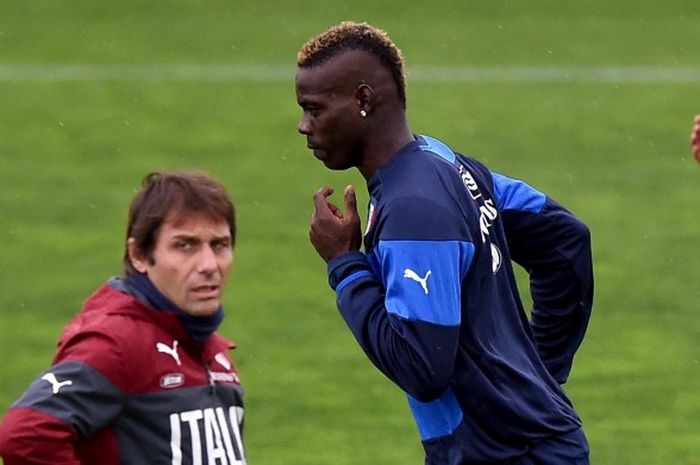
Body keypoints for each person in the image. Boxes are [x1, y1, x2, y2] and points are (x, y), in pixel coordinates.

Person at [296, 21, 593, 465]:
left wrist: (344, 265)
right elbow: (566, 241)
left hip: (500, 452)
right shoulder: (449, 164)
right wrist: (541, 373)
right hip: (533, 441)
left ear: (362, 100)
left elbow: (421, 366)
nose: (303, 126)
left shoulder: (413, 208)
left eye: (314, 109)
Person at [0, 171, 247, 465]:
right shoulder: (116, 343)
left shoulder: (208, 348)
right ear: (139, 255)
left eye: (219, 245)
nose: (209, 265)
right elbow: (25, 435)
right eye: (185, 245)